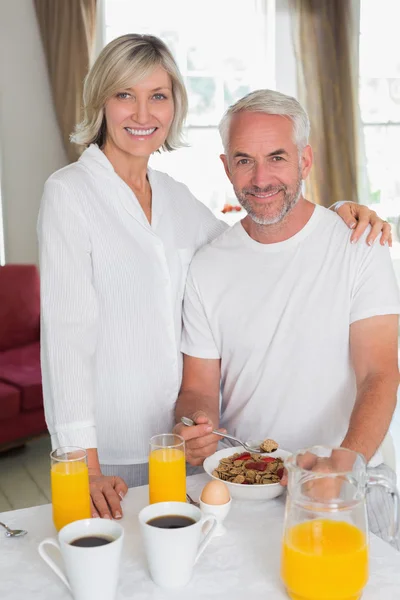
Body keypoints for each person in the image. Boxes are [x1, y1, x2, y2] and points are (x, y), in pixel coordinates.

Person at [37, 34, 389, 521]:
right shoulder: (69, 193)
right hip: (105, 450)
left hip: (177, 450)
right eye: (125, 95)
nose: (142, 114)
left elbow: (257, 230)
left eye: (157, 96)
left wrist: (334, 218)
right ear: (101, 100)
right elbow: (66, 335)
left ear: (174, 106)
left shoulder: (173, 196)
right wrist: (83, 464)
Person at [174, 90, 400, 547]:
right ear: (225, 166)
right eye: (244, 160)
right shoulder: (207, 265)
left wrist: (344, 463)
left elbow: (380, 373)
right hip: (247, 485)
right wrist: (193, 424)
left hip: (351, 481)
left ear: (305, 159)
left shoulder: (360, 245)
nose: (261, 178)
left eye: (277, 157)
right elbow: (198, 386)